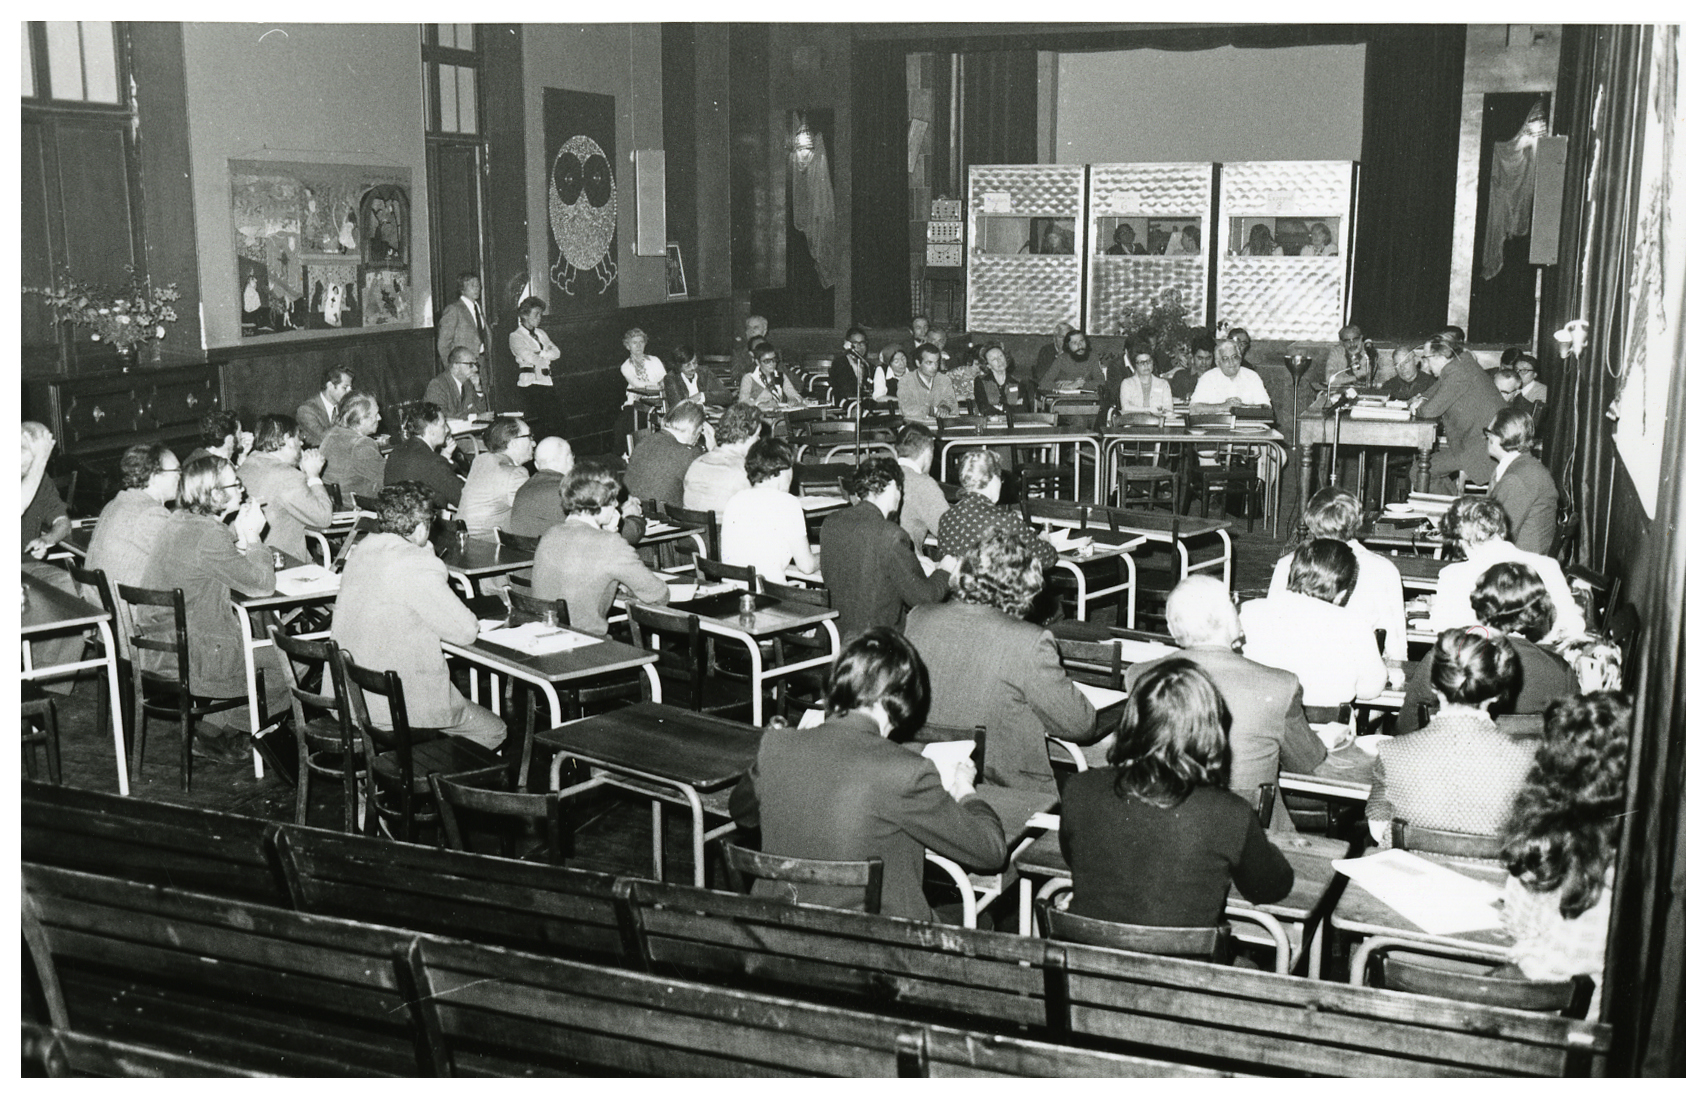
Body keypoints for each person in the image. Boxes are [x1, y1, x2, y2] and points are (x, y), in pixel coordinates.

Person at [728, 627, 1006, 921]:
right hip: (875, 948)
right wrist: (966, 790)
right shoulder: (908, 772)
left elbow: (741, 814)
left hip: (778, 941)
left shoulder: (776, 745)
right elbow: (992, 852)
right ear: (903, 699)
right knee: (983, 919)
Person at [1061, 658, 1294, 928]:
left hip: (1085, 966)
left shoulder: (1079, 788)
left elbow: (1073, 858)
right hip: (1187, 969)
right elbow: (1270, 888)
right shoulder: (1231, 813)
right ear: (1211, 729)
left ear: (1132, 718)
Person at [1126, 577, 1372, 830]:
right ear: (1230, 617)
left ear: (1170, 626)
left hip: (1161, 822)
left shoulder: (1138, 675)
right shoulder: (1280, 684)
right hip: (1249, 833)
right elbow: (1306, 763)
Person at [905, 529, 1097, 792]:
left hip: (927, 781)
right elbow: (1080, 725)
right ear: (1026, 587)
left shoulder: (919, 617)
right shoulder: (1030, 641)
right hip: (1005, 790)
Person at [331, 481, 506, 751]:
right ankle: (439, 786)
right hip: (396, 706)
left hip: (349, 696)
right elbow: (466, 631)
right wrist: (427, 555)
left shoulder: (364, 549)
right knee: (495, 731)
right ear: (423, 527)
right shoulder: (416, 562)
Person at [135, 455, 284, 763]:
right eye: (235, 484)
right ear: (215, 494)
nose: (242, 489)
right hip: (194, 655)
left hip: (166, 647)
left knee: (265, 641)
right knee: (289, 660)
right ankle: (224, 730)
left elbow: (208, 552)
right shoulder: (208, 534)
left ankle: (213, 731)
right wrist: (254, 537)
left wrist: (236, 535)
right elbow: (262, 586)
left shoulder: (180, 520)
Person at [1498, 691, 1630, 1014]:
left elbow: (1515, 929)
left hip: (1533, 1016)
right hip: (1604, 1033)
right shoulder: (1653, 854)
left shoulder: (1541, 844)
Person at [1366, 628, 1533, 846]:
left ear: (1434, 686)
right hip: (1489, 876)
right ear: (1497, 693)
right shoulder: (1528, 757)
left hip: (1411, 875)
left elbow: (1378, 829)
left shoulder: (1392, 752)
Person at [1398, 562, 1578, 736]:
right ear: (1539, 608)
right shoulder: (1561, 672)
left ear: (1480, 601)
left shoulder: (1450, 656)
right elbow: (1569, 742)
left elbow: (1406, 727)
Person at [1240, 539, 1387, 713]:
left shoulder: (1249, 610)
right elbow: (1370, 689)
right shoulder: (1354, 624)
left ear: (1292, 572)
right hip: (1327, 733)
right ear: (1342, 594)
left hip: (1259, 722)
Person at [818, 457, 954, 636]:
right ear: (890, 486)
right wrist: (944, 570)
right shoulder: (892, 534)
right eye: (899, 488)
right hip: (879, 640)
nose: (901, 495)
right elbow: (924, 598)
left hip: (838, 634)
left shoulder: (832, 522)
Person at [1268, 488, 1406, 661]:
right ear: (1360, 520)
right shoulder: (1384, 569)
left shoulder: (1287, 564)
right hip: (1358, 667)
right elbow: (1395, 638)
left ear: (1309, 520)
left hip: (1296, 662)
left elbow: (1273, 623)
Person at [530, 468, 669, 636]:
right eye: (613, 499)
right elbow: (658, 595)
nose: (617, 505)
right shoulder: (609, 543)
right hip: (586, 646)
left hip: (547, 638)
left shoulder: (550, 534)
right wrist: (612, 535)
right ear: (601, 503)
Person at [1428, 498, 1585, 641]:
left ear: (1460, 542)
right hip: (1540, 662)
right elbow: (1574, 625)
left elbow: (1442, 631)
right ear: (1501, 529)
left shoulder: (1452, 575)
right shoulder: (1548, 565)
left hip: (1481, 665)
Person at [1408, 332, 1506, 488]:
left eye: (1426, 358)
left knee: (1419, 470)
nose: (1424, 365)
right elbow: (1431, 392)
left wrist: (1418, 407)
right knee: (1423, 468)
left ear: (1440, 357)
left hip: (1481, 451)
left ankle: (1452, 510)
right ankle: (1454, 506)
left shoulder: (1458, 374)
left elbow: (1429, 412)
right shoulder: (1459, 364)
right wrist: (1421, 399)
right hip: (1473, 443)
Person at [936, 449, 1058, 569]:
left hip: (959, 587)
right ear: (993, 478)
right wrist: (1046, 542)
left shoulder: (947, 517)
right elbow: (1046, 558)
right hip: (994, 588)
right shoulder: (1005, 520)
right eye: (1001, 478)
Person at [86, 443, 180, 598]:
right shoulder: (151, 514)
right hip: (132, 614)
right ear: (154, 477)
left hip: (102, 605)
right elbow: (188, 562)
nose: (180, 476)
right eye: (176, 470)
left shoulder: (116, 503)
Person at [236, 414, 333, 562]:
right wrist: (313, 475)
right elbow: (324, 518)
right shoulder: (287, 476)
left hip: (247, 558)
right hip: (282, 563)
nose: (301, 443)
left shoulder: (250, 461)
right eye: (297, 437)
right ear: (287, 439)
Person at [721, 440, 817, 584]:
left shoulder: (735, 500)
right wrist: (829, 554)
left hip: (734, 595)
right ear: (782, 469)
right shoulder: (788, 503)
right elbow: (807, 566)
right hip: (769, 597)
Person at [1487, 407, 1558, 554]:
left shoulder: (1515, 480)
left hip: (1519, 568)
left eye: (1489, 433)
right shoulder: (1525, 465)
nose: (1486, 438)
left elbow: (1496, 536)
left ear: (1499, 438)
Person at [681, 401, 765, 516]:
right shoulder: (743, 470)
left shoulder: (697, 463)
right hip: (724, 530)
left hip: (695, 530)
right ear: (745, 434)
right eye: (757, 435)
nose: (759, 439)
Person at [456, 417, 533, 534]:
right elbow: (535, 516)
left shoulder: (480, 461)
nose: (533, 443)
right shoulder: (515, 474)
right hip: (490, 546)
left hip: (467, 540)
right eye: (529, 437)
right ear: (514, 443)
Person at [626, 401, 707, 509]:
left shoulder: (645, 441)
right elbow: (710, 488)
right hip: (665, 520)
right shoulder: (688, 453)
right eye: (700, 431)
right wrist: (714, 449)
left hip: (635, 511)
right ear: (694, 429)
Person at [384, 401, 464, 511]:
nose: (447, 429)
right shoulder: (433, 461)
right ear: (430, 430)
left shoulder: (397, 452)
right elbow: (463, 498)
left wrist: (445, 456)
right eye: (443, 425)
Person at [318, 391, 386, 504]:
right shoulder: (362, 444)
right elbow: (388, 477)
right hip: (359, 509)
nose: (379, 418)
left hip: (338, 506)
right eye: (375, 414)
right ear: (361, 419)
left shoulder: (332, 434)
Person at [893, 424, 949, 550]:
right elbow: (949, 533)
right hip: (905, 562)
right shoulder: (924, 484)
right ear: (928, 452)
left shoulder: (881, 473)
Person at [507, 436, 574, 538]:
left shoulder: (521, 489)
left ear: (536, 465)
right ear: (569, 459)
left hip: (524, 552)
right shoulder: (568, 491)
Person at [1191, 338, 1271, 411]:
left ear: (1240, 359)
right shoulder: (1208, 378)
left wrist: (1242, 408)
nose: (1231, 362)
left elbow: (1266, 408)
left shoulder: (1252, 376)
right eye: (1225, 359)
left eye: (1234, 357)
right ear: (1218, 363)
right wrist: (1223, 407)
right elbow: (1194, 408)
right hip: (1216, 425)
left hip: (1247, 425)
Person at [436, 270, 489, 376]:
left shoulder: (478, 309)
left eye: (478, 285)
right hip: (462, 367)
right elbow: (443, 344)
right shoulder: (454, 309)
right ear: (462, 289)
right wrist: (452, 369)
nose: (477, 288)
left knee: (481, 392)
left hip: (481, 362)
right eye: (472, 285)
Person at [895, 343, 958, 424]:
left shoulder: (944, 379)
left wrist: (945, 407)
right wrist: (931, 410)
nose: (934, 367)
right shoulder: (906, 381)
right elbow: (907, 409)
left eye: (936, 362)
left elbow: (952, 403)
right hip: (915, 429)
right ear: (918, 363)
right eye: (929, 363)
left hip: (940, 426)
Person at [508, 295, 560, 390]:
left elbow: (557, 353)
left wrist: (541, 353)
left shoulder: (541, 333)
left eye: (540, 314)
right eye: (536, 314)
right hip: (530, 383)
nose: (539, 317)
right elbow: (531, 357)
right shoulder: (516, 336)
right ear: (525, 315)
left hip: (546, 381)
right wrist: (548, 356)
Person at [738, 341, 805, 411]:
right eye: (767, 361)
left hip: (778, 415)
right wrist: (761, 404)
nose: (772, 364)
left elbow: (795, 395)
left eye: (774, 360)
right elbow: (742, 402)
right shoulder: (749, 378)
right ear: (758, 362)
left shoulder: (780, 376)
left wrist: (794, 399)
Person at [972, 343, 1037, 415]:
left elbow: (1024, 411)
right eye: (994, 359)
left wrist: (1001, 407)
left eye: (1000, 356)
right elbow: (984, 409)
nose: (999, 361)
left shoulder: (1018, 382)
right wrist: (1012, 407)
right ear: (988, 365)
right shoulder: (981, 381)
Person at [661, 345, 733, 409]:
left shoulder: (705, 372)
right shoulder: (671, 378)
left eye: (695, 362)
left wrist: (702, 396)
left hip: (709, 415)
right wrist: (695, 403)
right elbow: (678, 407)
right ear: (678, 366)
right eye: (688, 365)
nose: (693, 367)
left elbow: (727, 396)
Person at [423, 346, 487, 419]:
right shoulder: (437, 385)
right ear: (456, 366)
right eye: (470, 365)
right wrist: (474, 417)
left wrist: (478, 388)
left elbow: (481, 412)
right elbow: (441, 416)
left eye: (476, 365)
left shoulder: (468, 383)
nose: (475, 369)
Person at [294, 366, 352, 446]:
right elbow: (326, 437)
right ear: (330, 386)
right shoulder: (306, 410)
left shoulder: (343, 406)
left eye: (350, 388)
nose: (349, 392)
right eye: (345, 387)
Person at [1038, 329, 1105, 393]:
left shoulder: (1092, 357)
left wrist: (1081, 384)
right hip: (1062, 400)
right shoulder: (1062, 359)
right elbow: (1043, 383)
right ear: (1068, 346)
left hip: (1086, 400)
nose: (1079, 346)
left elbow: (1101, 382)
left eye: (1081, 341)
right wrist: (1066, 386)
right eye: (1074, 343)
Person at [828, 327, 882, 404]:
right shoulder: (840, 363)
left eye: (862, 342)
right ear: (848, 344)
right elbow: (843, 390)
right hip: (847, 404)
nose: (859, 346)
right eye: (855, 343)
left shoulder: (869, 367)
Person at [185, 410, 252, 467]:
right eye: (240, 432)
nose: (243, 435)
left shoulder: (200, 455)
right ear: (229, 440)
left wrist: (242, 455)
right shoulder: (217, 468)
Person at [1117, 349, 1173, 416]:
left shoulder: (1163, 384)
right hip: (1133, 424)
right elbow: (1125, 408)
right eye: (1141, 362)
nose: (1146, 365)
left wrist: (1137, 409)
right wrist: (1152, 410)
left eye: (1148, 361)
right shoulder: (1127, 383)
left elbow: (1169, 410)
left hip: (1158, 425)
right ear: (1135, 365)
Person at [618, 326, 668, 402]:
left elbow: (665, 380)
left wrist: (662, 384)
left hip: (660, 399)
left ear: (645, 344)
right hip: (637, 402)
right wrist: (658, 385)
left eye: (641, 342)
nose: (639, 345)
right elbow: (638, 384)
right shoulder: (625, 366)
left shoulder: (655, 360)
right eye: (634, 343)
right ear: (628, 346)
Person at [1162, 336, 1214, 402]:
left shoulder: (1218, 377)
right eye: (1200, 358)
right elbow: (1170, 401)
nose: (1204, 362)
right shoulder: (1180, 377)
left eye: (1208, 358)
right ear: (1192, 357)